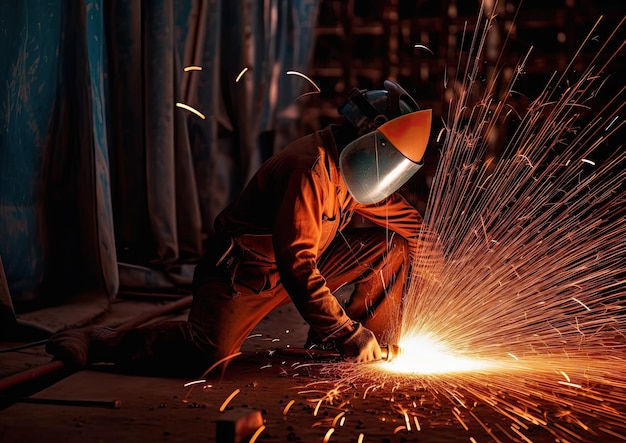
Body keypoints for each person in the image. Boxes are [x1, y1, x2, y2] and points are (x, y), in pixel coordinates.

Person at [46, 80, 435, 373]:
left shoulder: (354, 170)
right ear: (369, 138)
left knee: (391, 249)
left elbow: (408, 224)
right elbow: (297, 265)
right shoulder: (309, 170)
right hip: (243, 275)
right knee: (209, 355)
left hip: (297, 268)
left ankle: (357, 352)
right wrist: (345, 330)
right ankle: (104, 341)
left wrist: (437, 277)